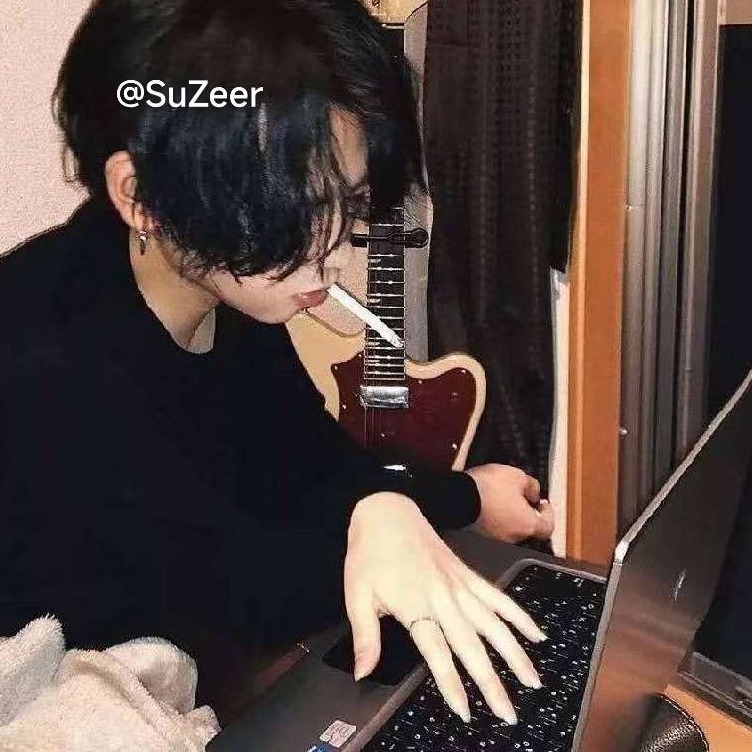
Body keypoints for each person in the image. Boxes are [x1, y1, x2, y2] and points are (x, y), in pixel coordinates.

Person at [0, 0, 555, 727]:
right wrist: (420, 510)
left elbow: (310, 463)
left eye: (347, 201)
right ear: (142, 196)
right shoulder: (50, 365)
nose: (333, 253)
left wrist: (441, 499)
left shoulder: (221, 283)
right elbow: (240, 595)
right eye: (293, 207)